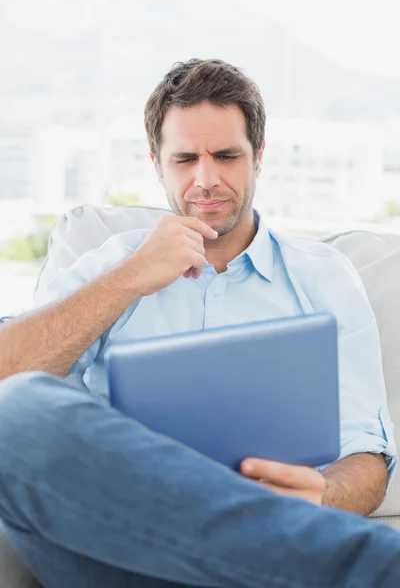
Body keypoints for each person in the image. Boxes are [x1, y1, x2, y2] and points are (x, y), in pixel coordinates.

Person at [0, 58, 399, 588]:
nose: (206, 180)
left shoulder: (324, 278)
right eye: (185, 159)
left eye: (227, 156)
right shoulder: (109, 267)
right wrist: (133, 277)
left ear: (258, 157)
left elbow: (367, 460)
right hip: (124, 551)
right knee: (19, 410)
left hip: (272, 551)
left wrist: (321, 493)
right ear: (156, 164)